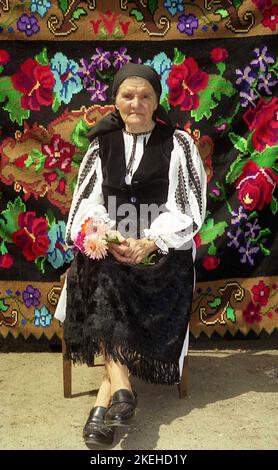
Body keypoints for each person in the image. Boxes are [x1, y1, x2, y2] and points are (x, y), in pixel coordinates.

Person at [54, 63, 207, 448]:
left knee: (107, 282)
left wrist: (150, 241)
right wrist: (108, 236)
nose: (136, 102)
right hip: (115, 243)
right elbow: (84, 208)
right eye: (128, 95)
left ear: (156, 102)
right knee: (98, 268)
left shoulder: (178, 144)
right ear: (116, 101)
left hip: (162, 251)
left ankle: (107, 398)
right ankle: (122, 386)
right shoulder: (99, 146)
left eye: (145, 96)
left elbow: (189, 208)